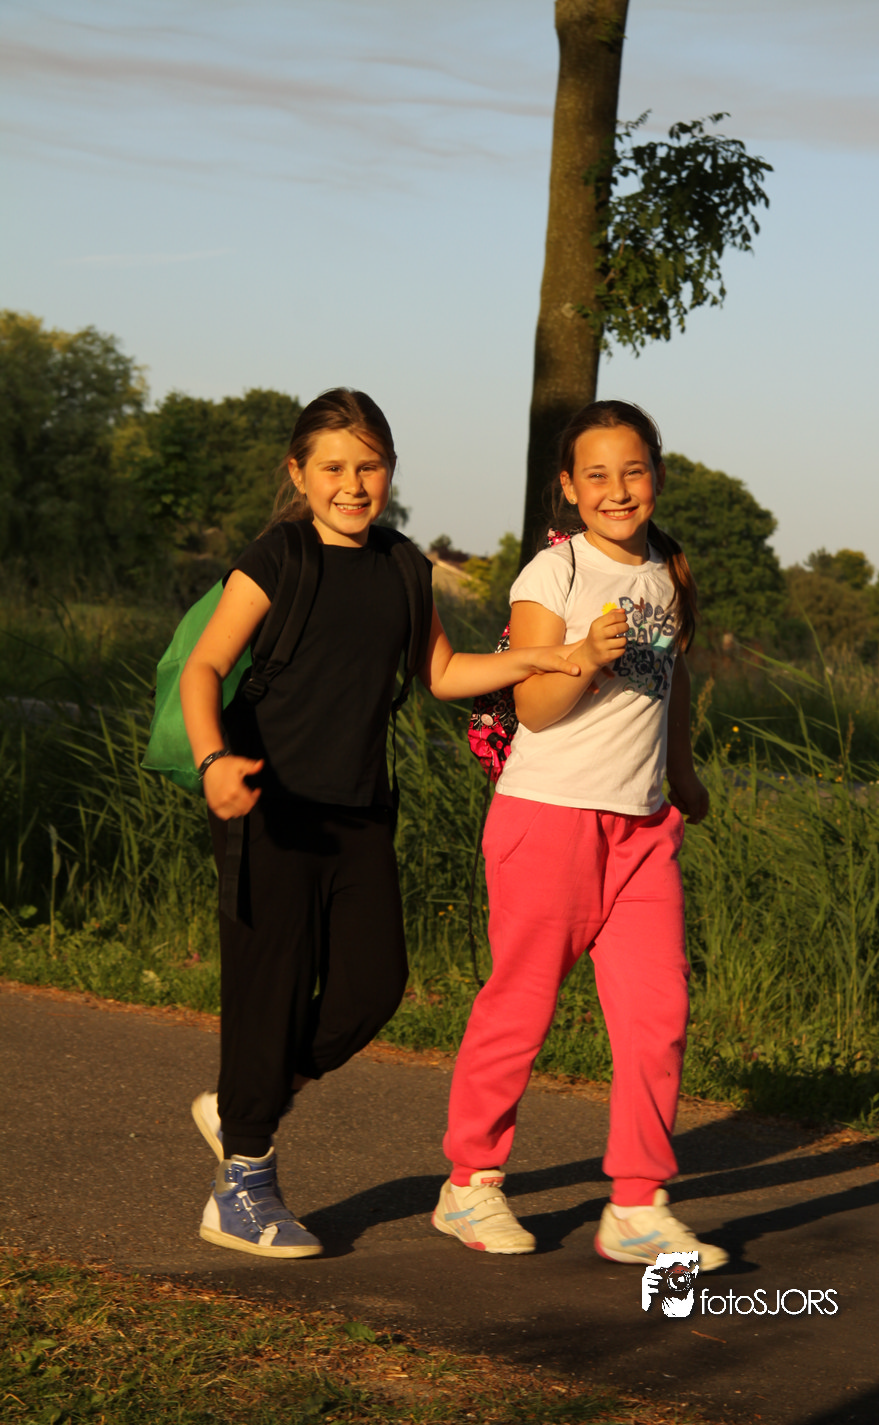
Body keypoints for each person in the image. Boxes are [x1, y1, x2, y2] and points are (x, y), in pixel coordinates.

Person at [180, 387, 580, 1260]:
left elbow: (441, 671)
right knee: (270, 990)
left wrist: (542, 657)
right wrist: (214, 764)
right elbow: (205, 666)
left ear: (391, 470)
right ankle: (241, 1185)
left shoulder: (404, 564)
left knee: (374, 985)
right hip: (267, 805)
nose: (352, 484)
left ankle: (247, 1100)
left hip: (360, 811)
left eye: (369, 465)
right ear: (298, 474)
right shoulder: (278, 557)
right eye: (333, 467)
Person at [432, 399, 728, 1271]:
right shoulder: (552, 574)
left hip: (642, 827)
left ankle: (636, 1204)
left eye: (633, 470)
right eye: (596, 474)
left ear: (657, 476)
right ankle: (469, 1182)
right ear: (568, 486)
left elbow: (671, 683)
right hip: (548, 815)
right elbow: (533, 706)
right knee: (520, 1005)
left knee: (657, 1012)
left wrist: (682, 777)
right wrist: (584, 658)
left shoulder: (667, 572)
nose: (617, 489)